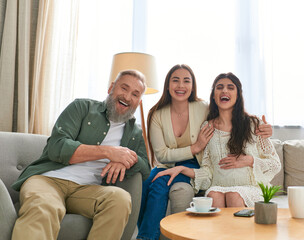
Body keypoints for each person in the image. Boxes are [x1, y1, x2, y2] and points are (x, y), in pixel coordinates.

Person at [136, 65, 273, 240]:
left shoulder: (203, 108)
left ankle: (146, 237)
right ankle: (146, 235)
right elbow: (162, 155)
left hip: (194, 163)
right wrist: (195, 148)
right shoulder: (157, 114)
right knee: (148, 182)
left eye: (186, 81)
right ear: (167, 85)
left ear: (193, 86)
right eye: (175, 80)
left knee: (160, 185)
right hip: (167, 164)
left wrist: (266, 130)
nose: (181, 85)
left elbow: (232, 112)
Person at [11, 70, 151, 240]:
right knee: (43, 206)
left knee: (120, 199)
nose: (128, 97)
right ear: (111, 88)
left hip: (88, 190)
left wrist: (126, 159)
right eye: (124, 88)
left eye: (135, 94)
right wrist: (108, 152)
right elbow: (57, 146)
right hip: (48, 179)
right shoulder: (82, 107)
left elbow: (145, 168)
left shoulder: (134, 133)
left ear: (138, 102)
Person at [153, 72, 281, 208]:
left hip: (249, 188)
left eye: (230, 87)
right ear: (214, 95)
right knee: (213, 195)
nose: (224, 90)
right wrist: (181, 169)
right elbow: (208, 172)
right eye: (219, 87)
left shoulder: (254, 124)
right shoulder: (207, 128)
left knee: (234, 195)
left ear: (238, 95)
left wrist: (249, 160)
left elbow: (275, 164)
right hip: (219, 187)